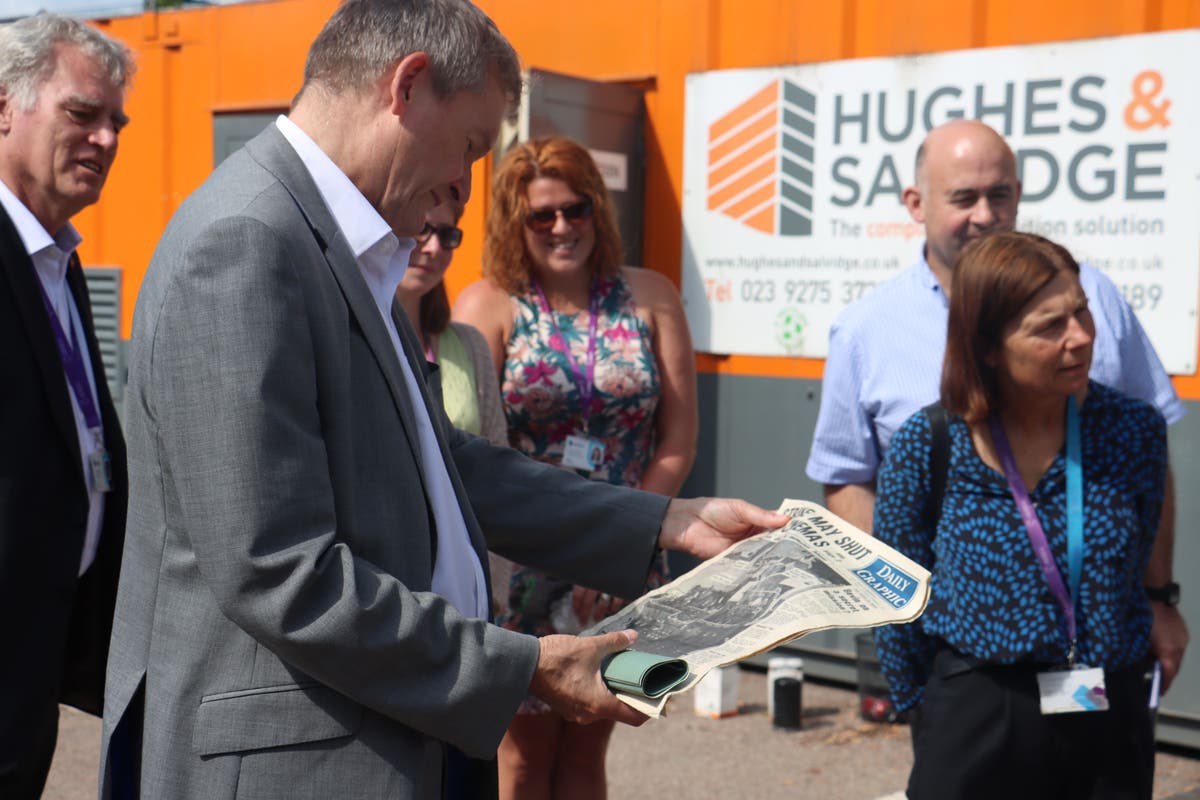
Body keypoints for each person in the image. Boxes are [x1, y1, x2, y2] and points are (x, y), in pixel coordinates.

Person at [98, 2, 785, 799]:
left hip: (394, 735)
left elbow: (440, 468)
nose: (463, 182)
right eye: (468, 146)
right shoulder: (247, 243)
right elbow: (277, 572)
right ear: (409, 86)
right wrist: (523, 665)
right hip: (306, 764)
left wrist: (665, 521)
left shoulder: (342, 242)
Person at [806, 119, 1188, 689]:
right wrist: (908, 629)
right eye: (964, 198)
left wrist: (1159, 597)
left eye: (1000, 194)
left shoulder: (1094, 299)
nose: (985, 215)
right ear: (917, 203)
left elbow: (1148, 464)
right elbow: (846, 479)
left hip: (1102, 656)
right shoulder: (866, 331)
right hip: (965, 665)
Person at [873, 231, 1172, 798]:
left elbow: (1137, 555)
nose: (1080, 338)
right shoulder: (932, 441)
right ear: (988, 345)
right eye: (1050, 327)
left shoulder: (1133, 430)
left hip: (1103, 707)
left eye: (1081, 312)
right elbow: (892, 590)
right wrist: (927, 709)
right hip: (979, 709)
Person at [454, 135, 698, 800]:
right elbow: (469, 448)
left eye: (577, 209)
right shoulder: (488, 305)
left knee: (592, 749)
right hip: (523, 563)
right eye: (542, 215)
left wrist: (633, 538)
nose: (563, 227)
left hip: (624, 557)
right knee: (523, 759)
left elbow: (677, 437)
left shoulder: (650, 296)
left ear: (598, 211)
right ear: (515, 223)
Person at [0, 14, 132, 798]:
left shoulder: (57, 260)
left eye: (115, 121)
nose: (107, 139)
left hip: (32, 664)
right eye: (82, 114)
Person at [394, 201, 512, 616]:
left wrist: (496, 592)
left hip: (465, 590)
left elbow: (496, 469)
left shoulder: (470, 345)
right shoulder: (355, 332)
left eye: (448, 236)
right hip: (393, 588)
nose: (432, 248)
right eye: (423, 229)